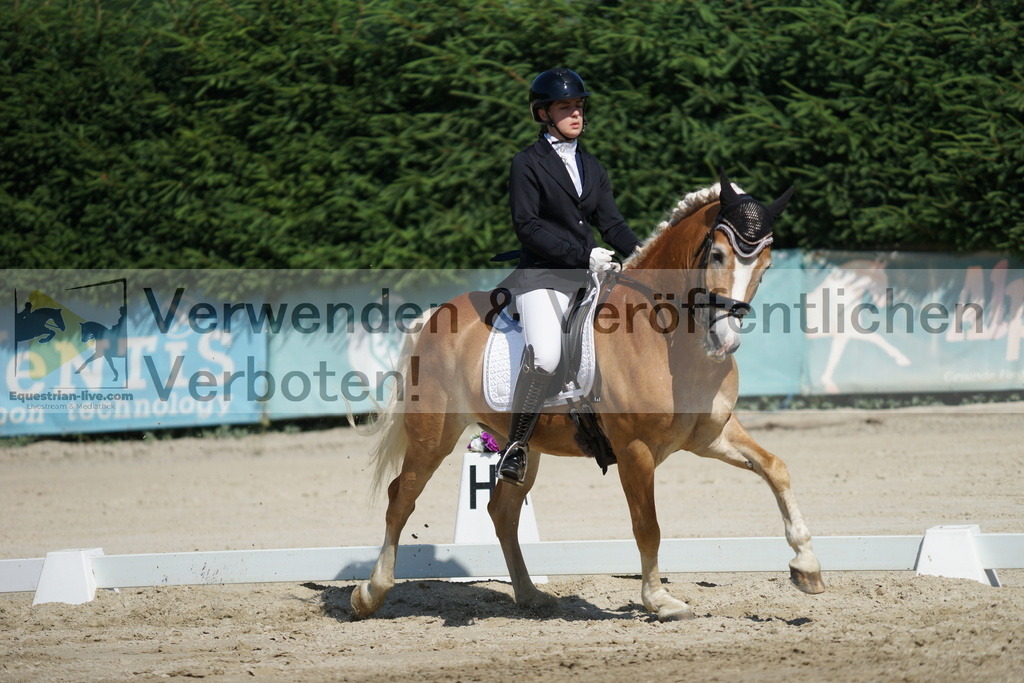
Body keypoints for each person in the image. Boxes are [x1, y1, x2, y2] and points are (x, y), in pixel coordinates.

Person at [496, 67, 642, 486]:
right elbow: (527, 227)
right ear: (543, 114)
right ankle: (515, 446)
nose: (576, 114)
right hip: (544, 277)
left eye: (579, 106)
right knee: (546, 355)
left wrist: (645, 258)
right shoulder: (527, 163)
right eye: (566, 108)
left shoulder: (591, 166)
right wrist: (583, 255)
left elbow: (612, 225)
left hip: (590, 276)